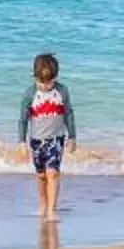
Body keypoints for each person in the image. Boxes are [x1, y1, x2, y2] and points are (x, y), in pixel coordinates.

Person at [14, 51, 78, 223]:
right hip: (36, 141)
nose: (45, 86)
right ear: (35, 77)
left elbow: (69, 115)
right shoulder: (29, 94)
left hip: (56, 139)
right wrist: (21, 142)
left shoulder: (62, 91)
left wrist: (72, 137)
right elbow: (22, 120)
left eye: (49, 83)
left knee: (53, 173)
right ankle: (43, 203)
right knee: (41, 175)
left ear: (55, 78)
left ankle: (51, 209)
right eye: (41, 82)